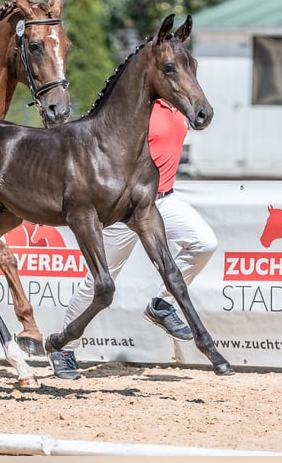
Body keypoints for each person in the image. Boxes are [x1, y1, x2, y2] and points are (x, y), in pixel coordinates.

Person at [48, 97, 218, 379]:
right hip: (126, 206)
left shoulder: (181, 106)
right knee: (100, 280)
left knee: (204, 243)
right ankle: (63, 349)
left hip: (163, 200)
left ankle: (161, 305)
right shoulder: (145, 107)